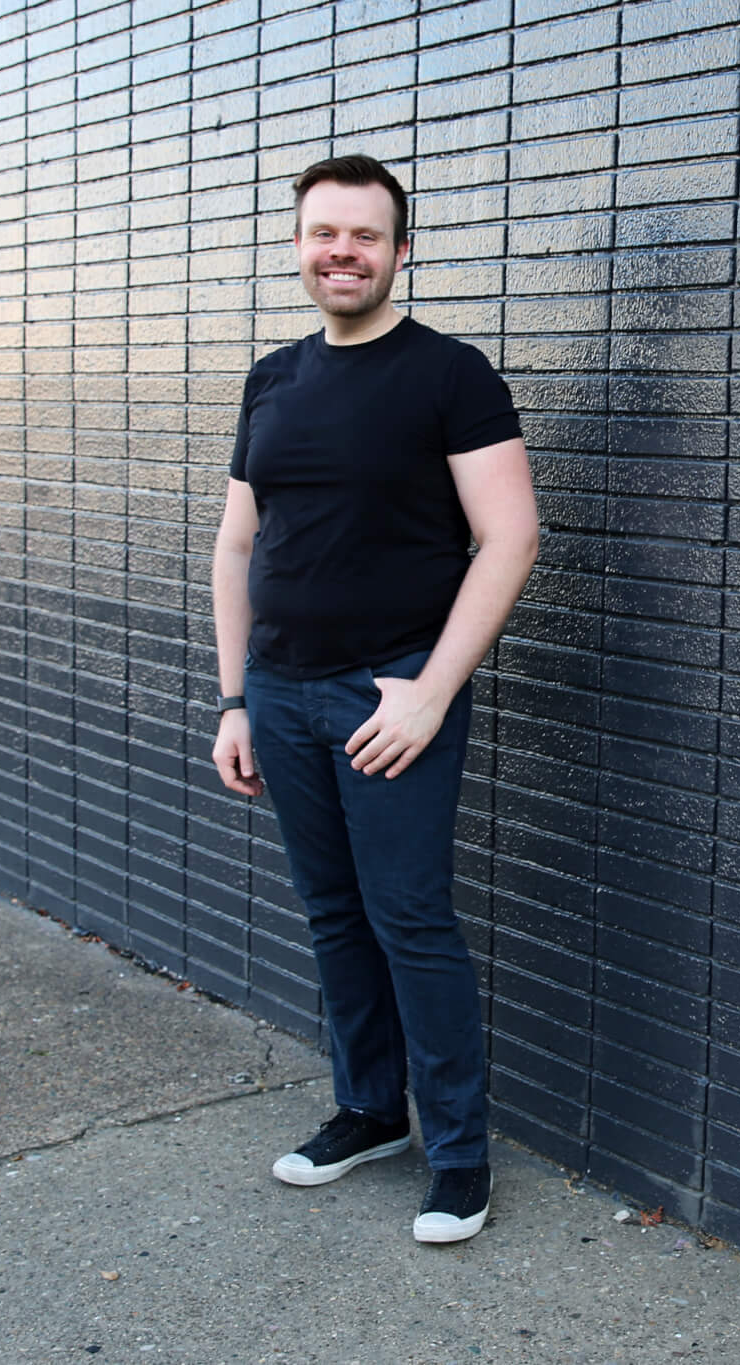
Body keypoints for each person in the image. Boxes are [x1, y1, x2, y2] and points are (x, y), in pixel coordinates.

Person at [209, 154, 538, 1244]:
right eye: (321, 233)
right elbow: (236, 544)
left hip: (389, 693)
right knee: (333, 914)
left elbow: (510, 536)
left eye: (362, 235)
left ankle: (457, 1154)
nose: (339, 251)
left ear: (401, 252)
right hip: (282, 693)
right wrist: (233, 698)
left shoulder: (449, 374)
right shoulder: (272, 378)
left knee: (411, 920)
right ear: (298, 246)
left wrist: (432, 694)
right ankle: (368, 1110)